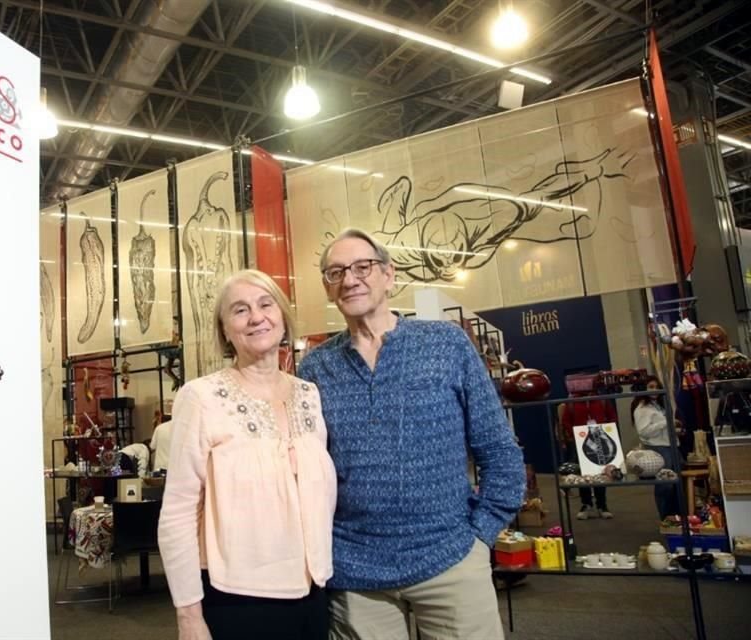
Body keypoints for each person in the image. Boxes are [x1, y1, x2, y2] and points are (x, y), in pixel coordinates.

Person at [297, 228, 524, 640]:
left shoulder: (446, 345)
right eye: (336, 272)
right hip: (356, 572)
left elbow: (498, 448)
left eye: (362, 267)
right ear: (328, 288)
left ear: (389, 275)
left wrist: (481, 534)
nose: (350, 279)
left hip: (451, 558)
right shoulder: (315, 369)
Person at [158, 269, 337, 640]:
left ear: (282, 317)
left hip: (314, 595)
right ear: (225, 329)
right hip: (237, 601)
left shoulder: (309, 394)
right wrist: (188, 616)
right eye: (240, 310)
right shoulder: (201, 397)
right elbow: (177, 512)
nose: (256, 317)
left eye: (265, 304)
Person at [558, 393, 616, 519]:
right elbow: (566, 421)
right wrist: (576, 435)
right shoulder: (572, 403)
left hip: (601, 440)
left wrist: (608, 433)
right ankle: (586, 504)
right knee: (583, 474)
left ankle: (602, 505)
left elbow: (612, 417)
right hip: (581, 442)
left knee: (600, 472)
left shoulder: (602, 400)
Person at [631, 376, 679, 519]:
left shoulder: (658, 405)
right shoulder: (642, 408)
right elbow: (644, 431)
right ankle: (665, 518)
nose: (654, 390)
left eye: (656, 386)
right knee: (665, 486)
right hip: (659, 449)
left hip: (670, 446)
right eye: (651, 386)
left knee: (674, 485)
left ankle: (674, 517)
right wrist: (665, 423)